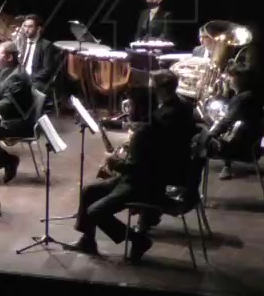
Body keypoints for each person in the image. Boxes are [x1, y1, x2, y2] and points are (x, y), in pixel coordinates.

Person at [68, 70, 198, 262]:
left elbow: (136, 168)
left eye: (131, 105)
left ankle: (138, 240)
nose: (127, 109)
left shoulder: (152, 127)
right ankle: (88, 240)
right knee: (89, 191)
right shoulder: (169, 114)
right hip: (144, 175)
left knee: (95, 212)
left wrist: (113, 161)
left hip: (145, 183)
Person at [0, 41, 35, 183]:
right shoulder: (8, 71)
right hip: (9, 116)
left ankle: (7, 161)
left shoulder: (16, 77)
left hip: (18, 123)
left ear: (9, 57)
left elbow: (4, 107)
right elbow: (4, 93)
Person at [206, 64, 264, 180]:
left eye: (230, 76)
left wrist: (210, 135)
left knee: (194, 142)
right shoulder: (249, 95)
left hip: (238, 147)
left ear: (239, 79)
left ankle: (187, 185)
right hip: (244, 141)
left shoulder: (243, 99)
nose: (227, 79)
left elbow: (228, 121)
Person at [18, 14, 60, 94]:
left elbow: (47, 70)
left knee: (26, 89)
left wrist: (30, 78)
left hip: (37, 81)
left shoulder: (46, 45)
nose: (26, 30)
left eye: (30, 27)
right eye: (25, 26)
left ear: (38, 28)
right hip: (23, 78)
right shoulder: (23, 43)